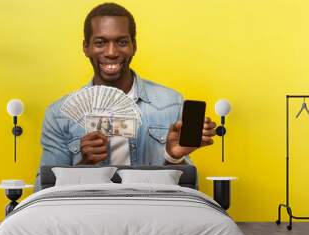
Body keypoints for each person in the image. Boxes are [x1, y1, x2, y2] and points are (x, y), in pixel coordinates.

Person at [36, 3, 216, 190]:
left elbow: (187, 191)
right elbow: (43, 190)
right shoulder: (58, 115)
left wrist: (173, 157)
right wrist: (85, 166)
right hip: (90, 213)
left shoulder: (170, 104)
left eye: (121, 42)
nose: (112, 52)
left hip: (151, 212)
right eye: (100, 42)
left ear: (134, 46)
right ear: (86, 47)